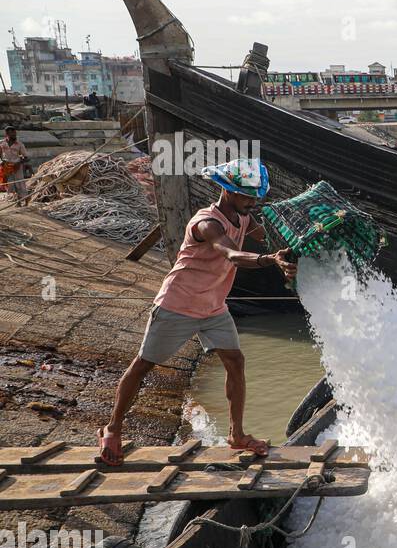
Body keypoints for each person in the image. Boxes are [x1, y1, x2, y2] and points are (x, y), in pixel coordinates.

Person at [98, 159, 297, 466]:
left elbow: (263, 235)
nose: (252, 201)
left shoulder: (243, 215)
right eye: (246, 195)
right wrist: (271, 259)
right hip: (179, 303)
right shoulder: (208, 223)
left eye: (256, 196)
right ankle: (112, 429)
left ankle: (236, 435)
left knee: (235, 361)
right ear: (228, 191)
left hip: (214, 306)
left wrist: (292, 246)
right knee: (143, 365)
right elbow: (232, 254)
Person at [1, 127, 28, 197]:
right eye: (12, 133)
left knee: (20, 184)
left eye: (14, 133)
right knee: (10, 184)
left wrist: (19, 163)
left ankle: (25, 199)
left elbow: (26, 157)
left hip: (17, 167)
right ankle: (17, 200)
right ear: (7, 134)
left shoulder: (19, 144)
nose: (14, 135)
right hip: (6, 167)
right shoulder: (1, 143)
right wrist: (1, 161)